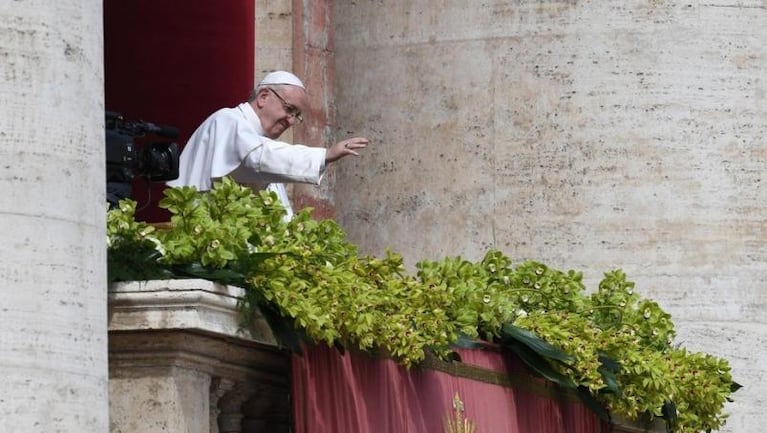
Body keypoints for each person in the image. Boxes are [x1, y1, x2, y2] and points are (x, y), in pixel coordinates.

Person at [167, 70, 369, 219]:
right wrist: (324, 155)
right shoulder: (227, 121)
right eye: (289, 109)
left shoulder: (263, 146)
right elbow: (255, 157)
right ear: (263, 97)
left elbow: (280, 214)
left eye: (296, 116)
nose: (290, 121)